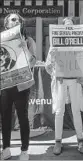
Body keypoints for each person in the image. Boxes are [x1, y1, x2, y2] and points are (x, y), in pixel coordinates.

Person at [45, 17, 83, 155]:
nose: (68, 29)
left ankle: (80, 140)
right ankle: (57, 141)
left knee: (76, 111)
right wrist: (52, 59)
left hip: (75, 80)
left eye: (71, 26)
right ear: (62, 29)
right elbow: (47, 66)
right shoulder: (55, 44)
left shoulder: (81, 45)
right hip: (60, 80)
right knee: (59, 112)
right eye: (66, 26)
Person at [0, 13, 36, 160]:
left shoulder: (28, 40)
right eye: (13, 19)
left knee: (22, 118)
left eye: (18, 20)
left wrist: (24, 48)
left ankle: (24, 151)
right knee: (5, 117)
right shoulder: (1, 40)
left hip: (21, 84)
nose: (16, 21)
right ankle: (6, 149)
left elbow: (33, 61)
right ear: (7, 23)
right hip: (5, 85)